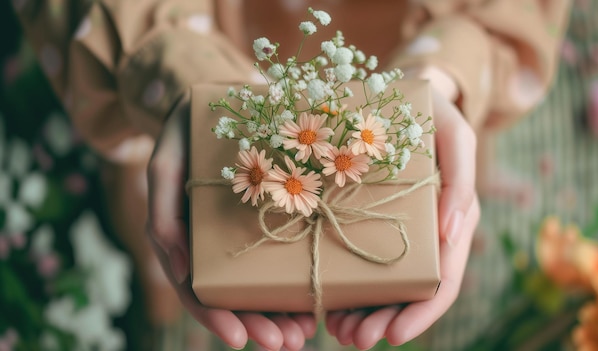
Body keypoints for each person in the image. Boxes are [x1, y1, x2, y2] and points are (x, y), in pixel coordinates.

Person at [11, 0, 569, 350]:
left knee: (423, 234)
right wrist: (183, 75)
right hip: (213, 110)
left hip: (395, 116)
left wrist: (439, 78)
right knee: (202, 228)